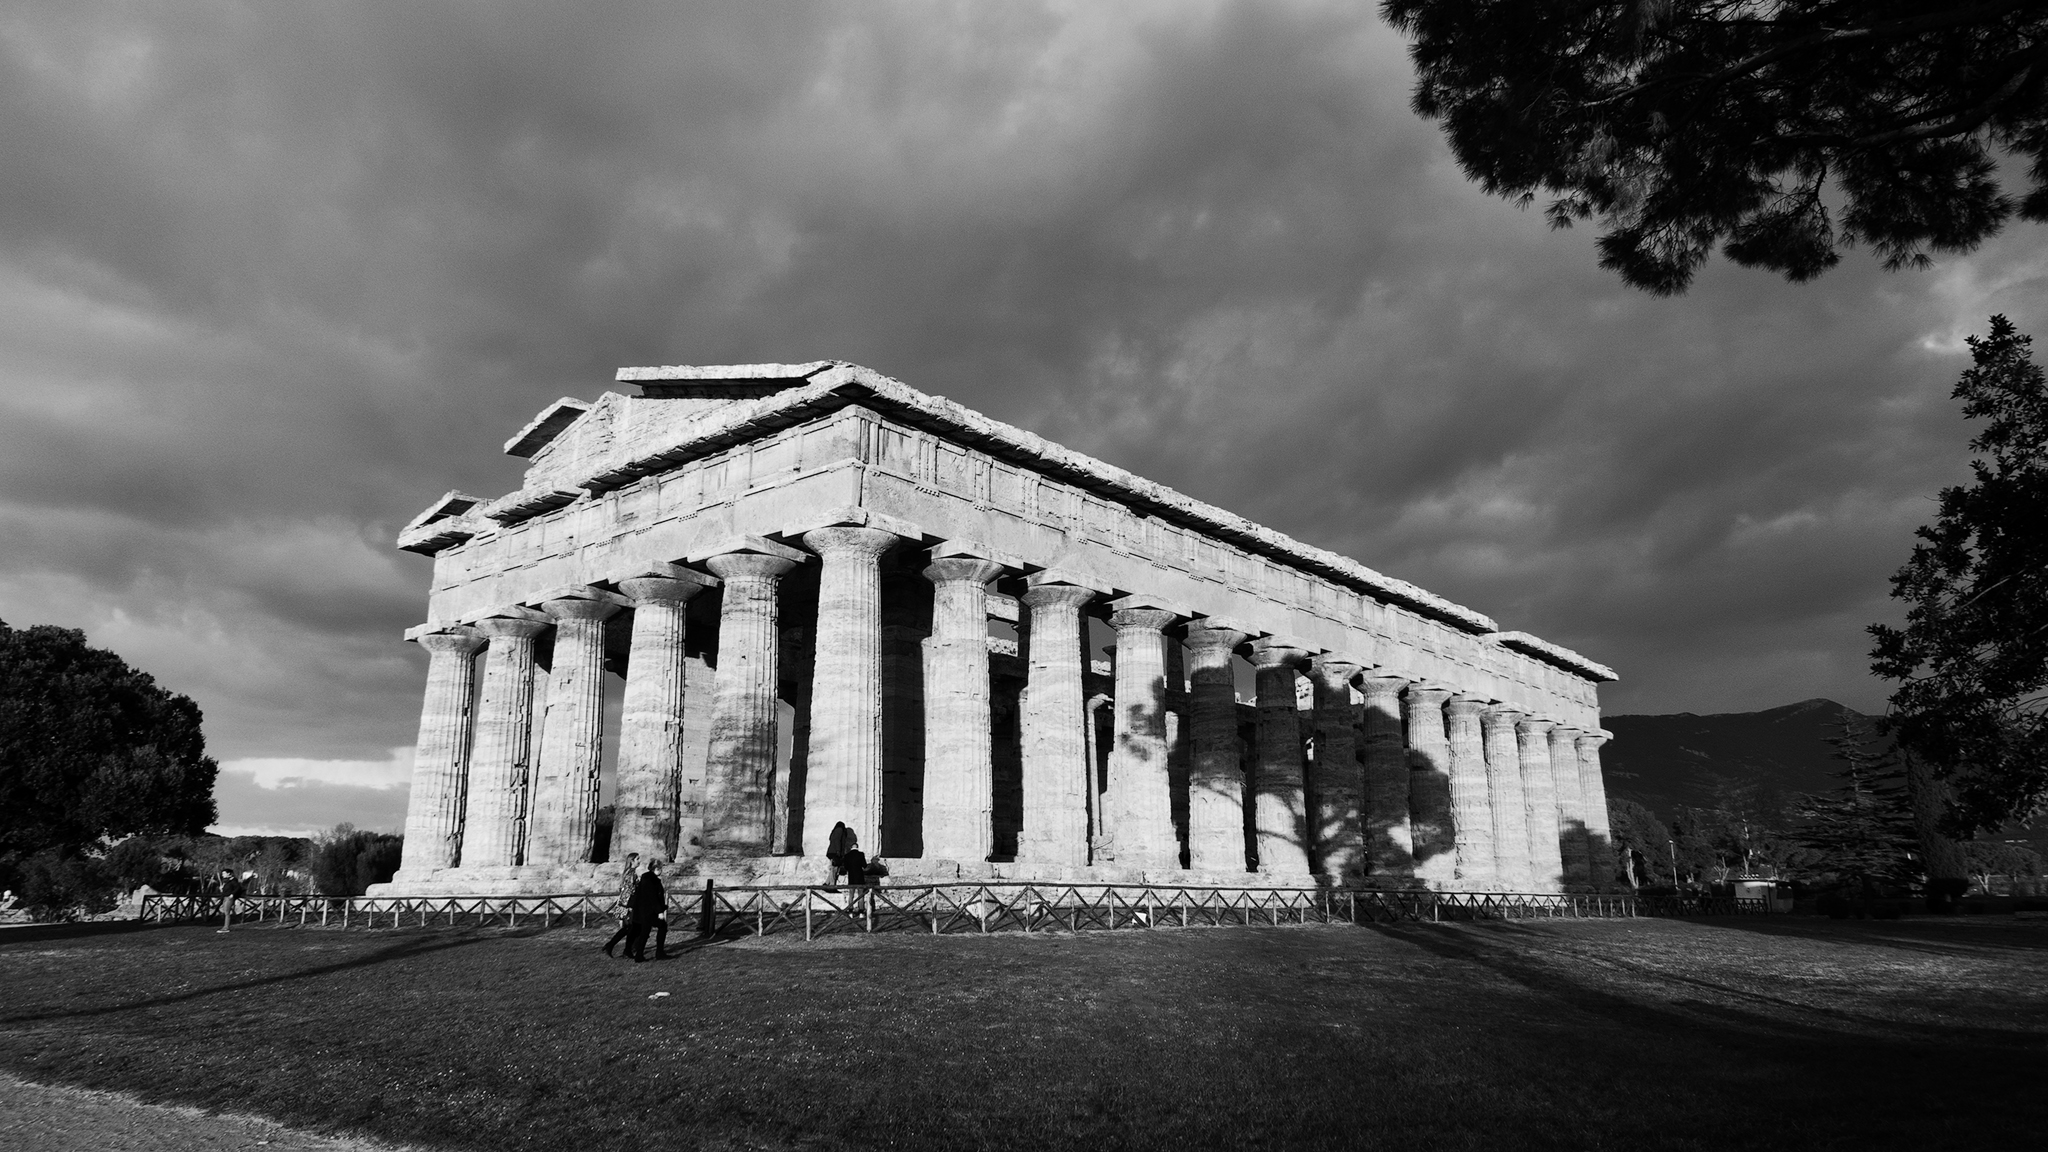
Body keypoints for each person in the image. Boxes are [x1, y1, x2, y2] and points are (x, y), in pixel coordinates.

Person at [624, 860, 667, 962]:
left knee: (644, 932)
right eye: (660, 869)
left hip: (642, 911)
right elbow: (653, 897)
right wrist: (659, 911)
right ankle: (659, 952)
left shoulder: (646, 878)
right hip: (649, 911)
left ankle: (639, 955)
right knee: (662, 926)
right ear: (656, 869)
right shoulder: (651, 880)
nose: (661, 871)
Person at [601, 852, 642, 957]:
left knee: (630, 928)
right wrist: (631, 907)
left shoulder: (627, 872)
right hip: (628, 904)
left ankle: (627, 950)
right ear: (632, 861)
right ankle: (612, 946)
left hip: (625, 904)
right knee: (629, 928)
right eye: (637, 859)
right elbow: (630, 892)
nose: (639, 861)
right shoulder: (631, 874)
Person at [214, 868, 242, 934]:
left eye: (224, 873)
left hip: (229, 898)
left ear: (229, 874)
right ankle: (225, 926)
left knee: (227, 913)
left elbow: (238, 888)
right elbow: (225, 891)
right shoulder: (227, 882)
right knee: (225, 912)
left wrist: (232, 894)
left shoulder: (233, 881)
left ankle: (226, 927)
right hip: (225, 898)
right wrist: (221, 892)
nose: (222, 875)